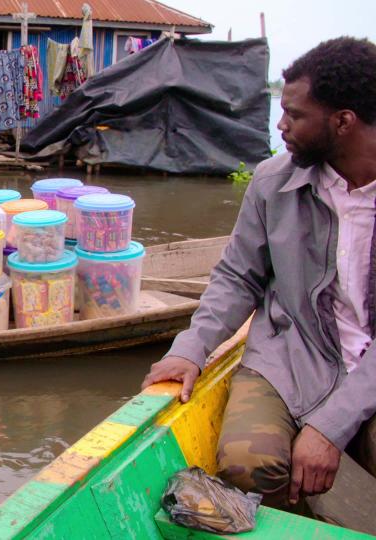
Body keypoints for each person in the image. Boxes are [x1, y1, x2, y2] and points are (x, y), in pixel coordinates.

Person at [142, 36, 376, 509]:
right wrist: (192, 348)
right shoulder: (273, 182)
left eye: (294, 114)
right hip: (291, 356)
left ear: (343, 122)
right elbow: (237, 277)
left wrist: (329, 428)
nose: (280, 124)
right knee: (247, 463)